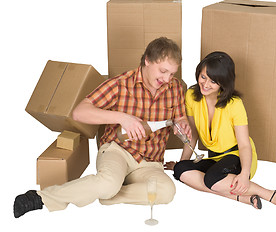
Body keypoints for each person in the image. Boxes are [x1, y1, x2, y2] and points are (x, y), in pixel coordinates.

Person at [14, 37, 191, 218]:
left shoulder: (174, 88)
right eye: (163, 71)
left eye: (171, 74)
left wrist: (183, 123)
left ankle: (110, 196)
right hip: (118, 151)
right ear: (147, 60)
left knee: (167, 191)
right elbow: (79, 112)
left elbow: (180, 118)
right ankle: (41, 198)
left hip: (151, 163)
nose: (167, 78)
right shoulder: (121, 84)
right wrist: (122, 118)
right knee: (107, 184)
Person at [165, 51, 276, 214]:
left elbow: (244, 145)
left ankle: (273, 195)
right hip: (215, 157)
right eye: (203, 77)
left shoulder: (234, 104)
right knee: (179, 172)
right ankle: (242, 198)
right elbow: (193, 134)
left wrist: (244, 173)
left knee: (211, 179)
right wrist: (182, 163)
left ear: (223, 83)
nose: (205, 84)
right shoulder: (191, 96)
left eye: (213, 81)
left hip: (238, 155)